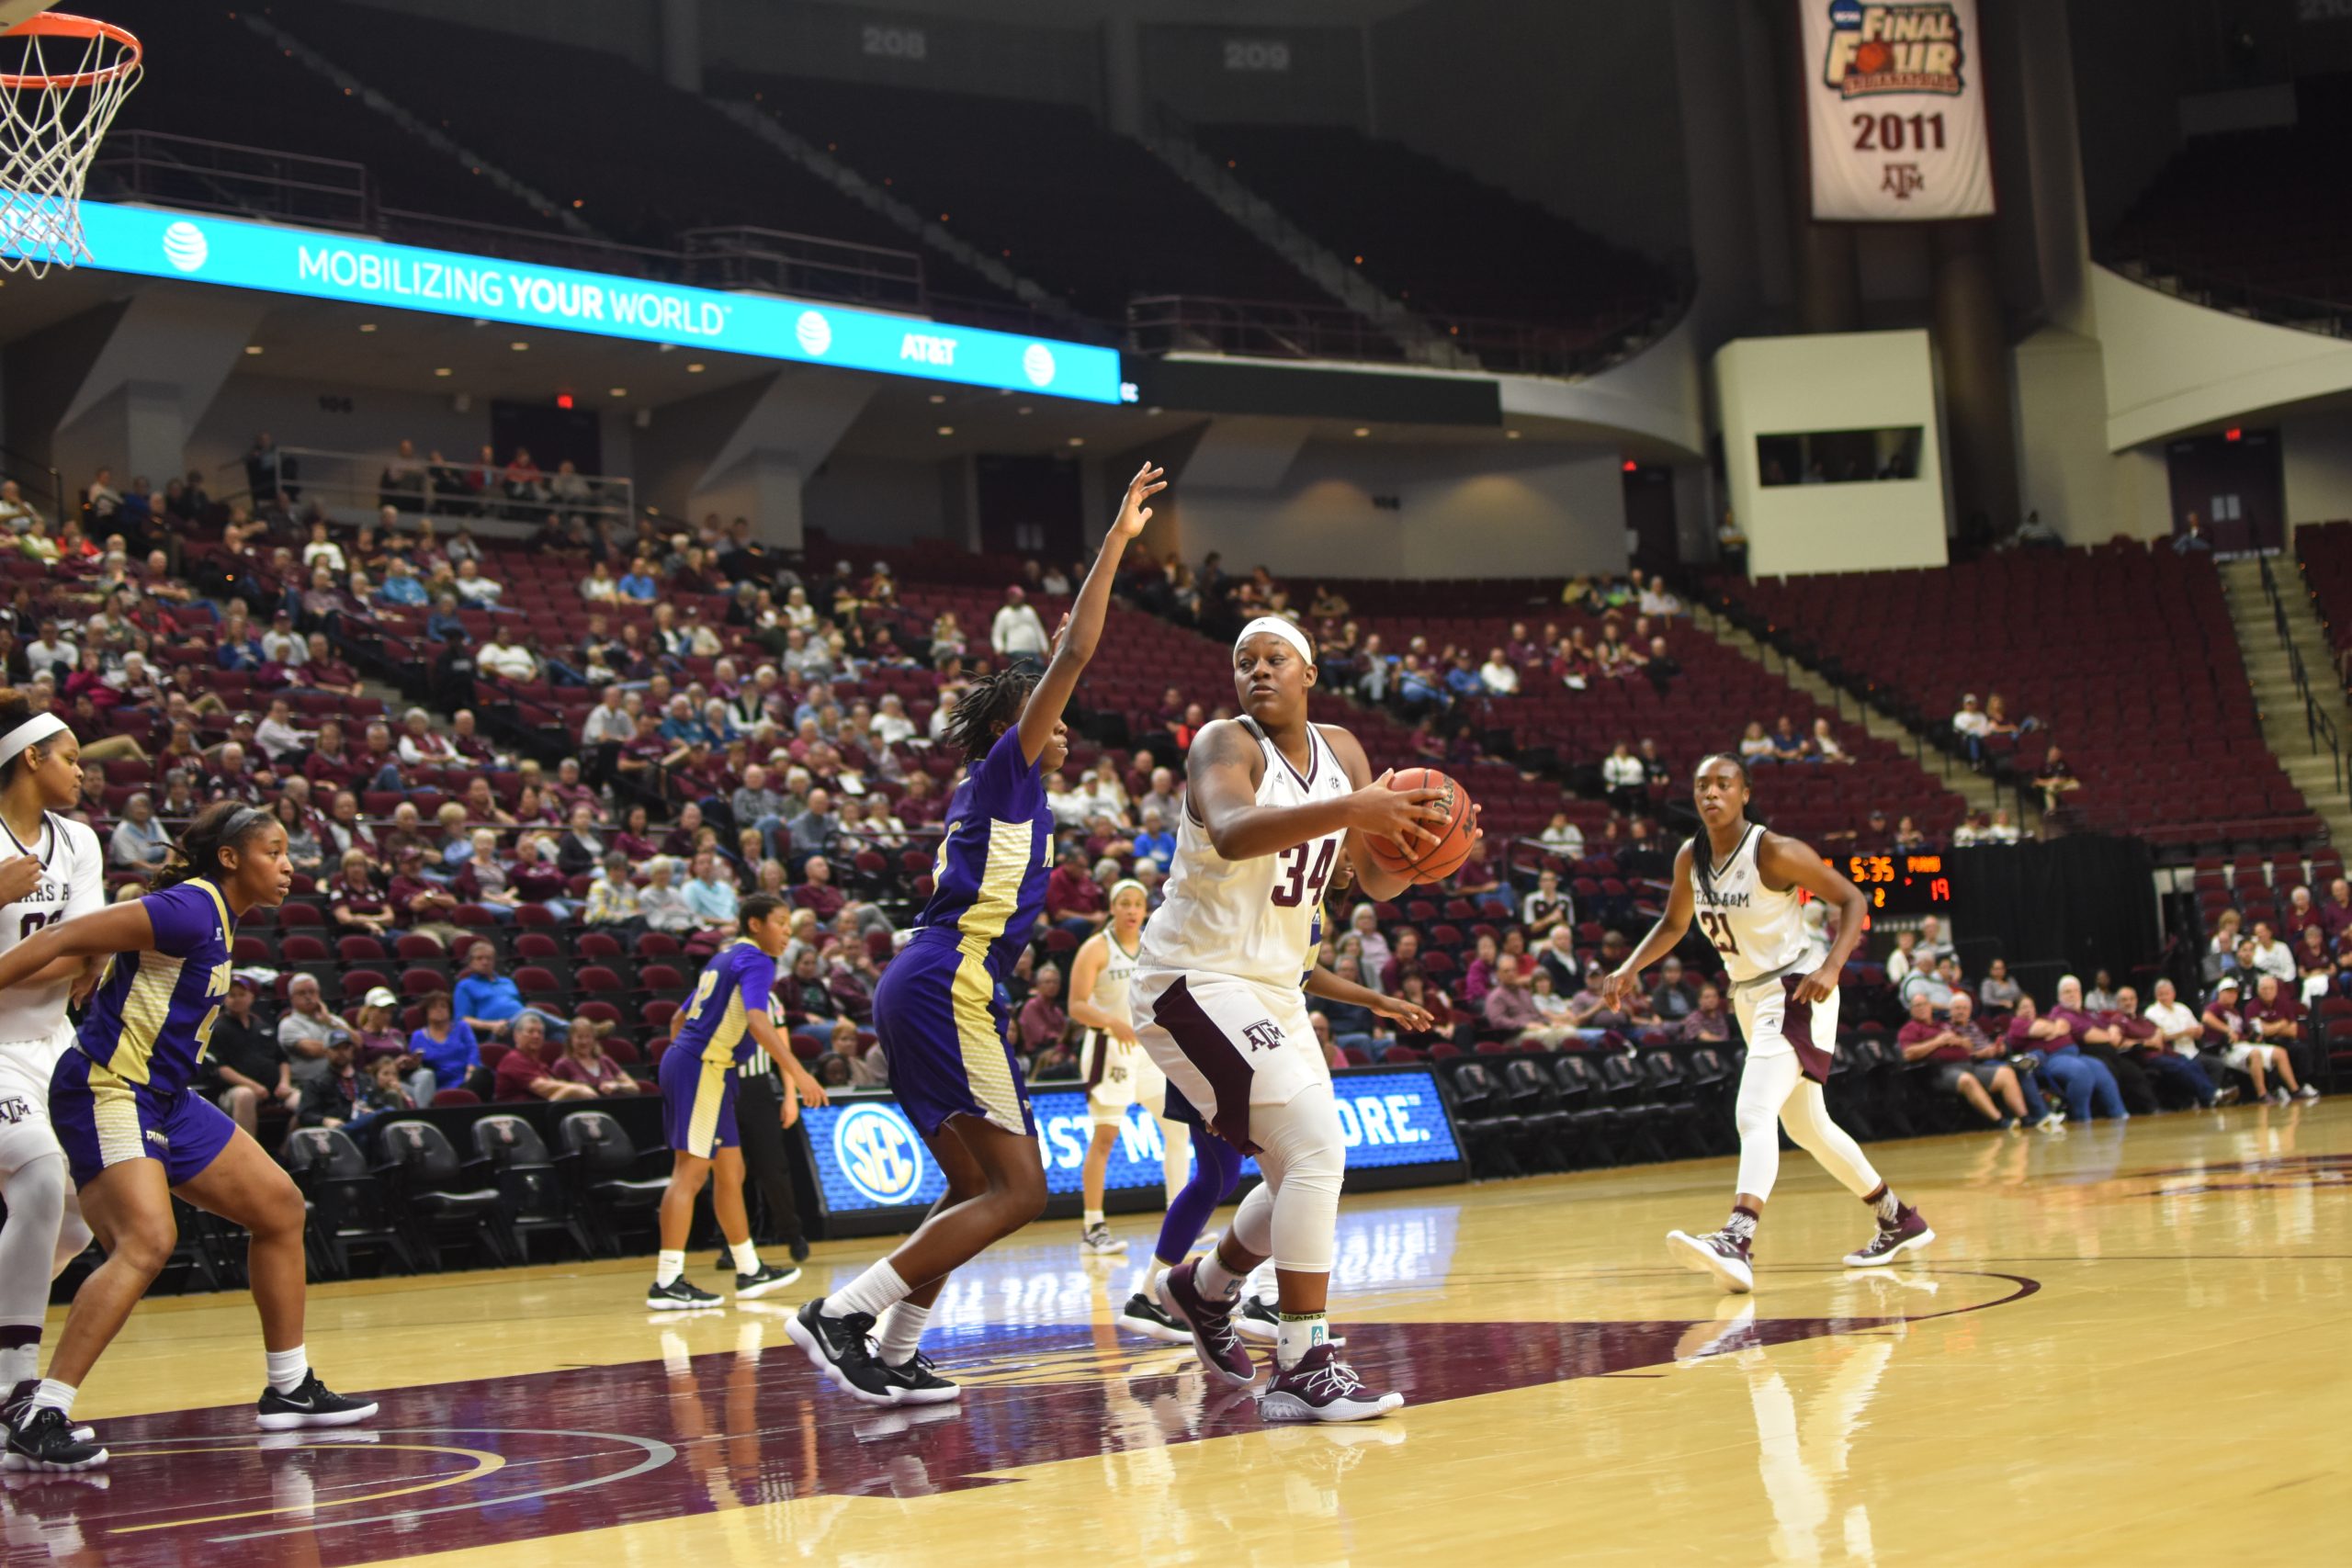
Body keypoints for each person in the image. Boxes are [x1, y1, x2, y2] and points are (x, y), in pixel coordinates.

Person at [789, 462, 1162, 1407]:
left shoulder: (1001, 791)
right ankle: (844, 1316)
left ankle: (902, 1345)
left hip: (932, 978)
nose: (1067, 729)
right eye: (1052, 719)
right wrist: (1115, 542)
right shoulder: (1007, 770)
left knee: (970, 1189)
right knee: (1021, 1191)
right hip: (944, 979)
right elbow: (1072, 652)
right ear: (1016, 722)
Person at [1129, 612, 1460, 1423]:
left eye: (1276, 658)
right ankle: (1302, 1360)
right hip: (1189, 977)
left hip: (1273, 987)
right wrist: (1359, 808)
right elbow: (1238, 832)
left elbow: (1368, 881)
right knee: (1314, 1147)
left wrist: (1427, 848)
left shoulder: (1345, 753)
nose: (1258, 670)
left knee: (1304, 1167)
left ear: (1310, 672)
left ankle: (1201, 1288)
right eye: (1244, 661)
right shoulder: (1222, 743)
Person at [0, 804, 374, 1471]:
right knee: (147, 1241)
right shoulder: (188, 908)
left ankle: (289, 1386)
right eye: (274, 850)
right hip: (107, 1087)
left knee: (280, 1208)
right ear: (230, 858)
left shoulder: (223, 919)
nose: (289, 864)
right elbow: (64, 938)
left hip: (166, 1098)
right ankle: (41, 1412)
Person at [1605, 755, 1932, 1294]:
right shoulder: (1691, 856)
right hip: (1749, 995)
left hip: (1796, 986)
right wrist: (1629, 967)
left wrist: (1831, 967)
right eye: (1701, 785)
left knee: (1753, 1110)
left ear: (1744, 793)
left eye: (1723, 784)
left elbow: (1853, 897)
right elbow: (1673, 923)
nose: (1711, 793)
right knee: (1807, 1126)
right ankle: (1897, 1218)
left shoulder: (1774, 850)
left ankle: (1738, 1237)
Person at [0, 698, 104, 1438]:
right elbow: (63, 951)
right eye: (70, 757)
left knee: (79, 1218)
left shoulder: (79, 840)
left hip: (54, 1042)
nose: (81, 771)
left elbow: (89, 947)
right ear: (30, 758)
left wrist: (40, 960)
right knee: (38, 1177)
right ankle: (15, 1384)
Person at [650, 896, 830, 1311]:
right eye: (780, 923)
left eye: (789, 923)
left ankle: (749, 1268)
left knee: (732, 1170)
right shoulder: (758, 961)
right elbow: (756, 1019)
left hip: (705, 1067)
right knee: (689, 1174)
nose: (787, 931)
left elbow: (680, 1018)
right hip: (703, 1068)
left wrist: (687, 1057)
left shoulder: (723, 958)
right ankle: (667, 1280)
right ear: (755, 924)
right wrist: (799, 1074)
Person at [1065, 880, 1190, 1257]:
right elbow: (1075, 1005)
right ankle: (1093, 1226)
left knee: (1178, 1131)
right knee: (1104, 1140)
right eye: (1125, 903)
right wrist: (1111, 1022)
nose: (1133, 910)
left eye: (1138, 903)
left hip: (1147, 1053)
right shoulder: (1096, 948)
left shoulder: (1152, 946)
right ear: (1112, 908)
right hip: (1109, 1051)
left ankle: (1179, 1217)